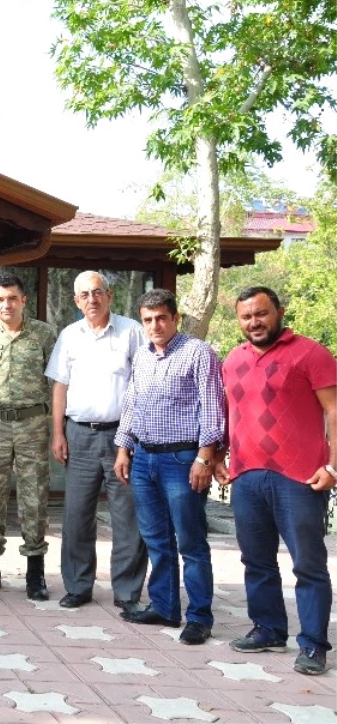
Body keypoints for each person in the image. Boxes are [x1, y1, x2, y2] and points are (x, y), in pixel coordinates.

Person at [219, 286, 337, 675]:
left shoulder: (311, 353)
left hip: (299, 478)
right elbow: (230, 413)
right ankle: (268, 629)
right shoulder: (233, 359)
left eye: (261, 314)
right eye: (246, 316)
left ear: (279, 312)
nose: (254, 322)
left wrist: (334, 467)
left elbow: (335, 412)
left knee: (308, 564)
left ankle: (314, 645)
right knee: (256, 561)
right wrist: (219, 455)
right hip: (247, 476)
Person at [114, 288, 224, 646]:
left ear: (175, 318)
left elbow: (212, 408)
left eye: (162, 317)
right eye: (148, 319)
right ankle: (163, 606)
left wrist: (205, 457)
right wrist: (123, 449)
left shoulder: (198, 353)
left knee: (191, 542)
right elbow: (132, 404)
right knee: (156, 539)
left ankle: (199, 617)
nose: (155, 325)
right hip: (144, 458)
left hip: (183, 460)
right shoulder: (143, 357)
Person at [46, 271, 148, 612]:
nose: (92, 299)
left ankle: (128, 591)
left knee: (127, 516)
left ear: (109, 296)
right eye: (85, 295)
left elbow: (143, 385)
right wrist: (58, 433)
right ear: (76, 301)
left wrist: (131, 438)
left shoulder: (132, 330)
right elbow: (59, 386)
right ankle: (78, 586)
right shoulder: (69, 336)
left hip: (123, 435)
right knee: (76, 514)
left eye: (98, 293)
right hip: (79, 434)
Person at [0, 274, 57, 600]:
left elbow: (59, 383)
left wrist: (59, 428)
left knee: (35, 498)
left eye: (11, 298)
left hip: (33, 423)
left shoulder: (44, 334)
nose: (6, 305)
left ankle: (36, 572)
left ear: (23, 300)